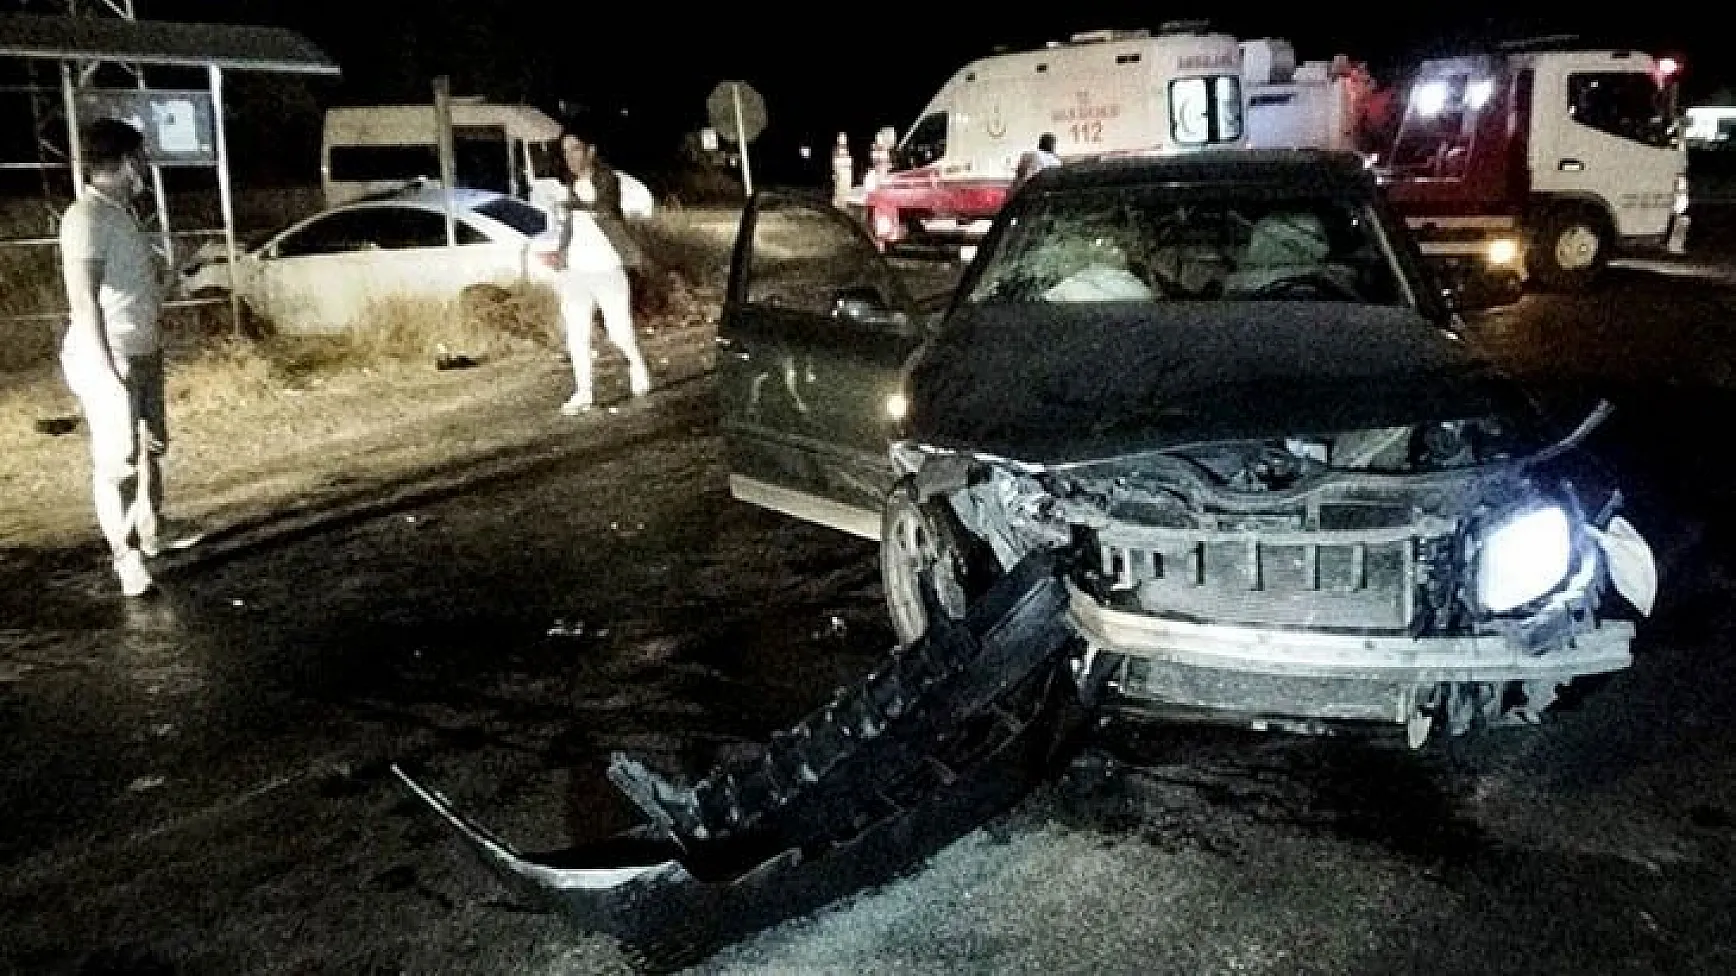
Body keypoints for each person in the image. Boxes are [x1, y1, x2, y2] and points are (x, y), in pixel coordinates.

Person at [56, 118, 179, 597]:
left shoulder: (121, 213)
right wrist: (106, 371)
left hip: (142, 349)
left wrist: (167, 280)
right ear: (127, 162)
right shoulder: (85, 217)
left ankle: (150, 535)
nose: (146, 168)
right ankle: (124, 556)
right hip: (112, 356)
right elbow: (83, 299)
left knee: (152, 446)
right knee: (119, 460)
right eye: (141, 158)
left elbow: (130, 289)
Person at [538, 122, 653, 415]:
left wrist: (573, 206)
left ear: (591, 151)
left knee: (619, 334)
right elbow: (570, 227)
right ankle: (584, 392)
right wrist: (559, 254)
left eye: (575, 150)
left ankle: (636, 363)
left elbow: (605, 209)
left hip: (607, 269)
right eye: (565, 152)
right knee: (576, 334)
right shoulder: (569, 186)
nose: (570, 157)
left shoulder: (607, 179)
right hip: (576, 271)